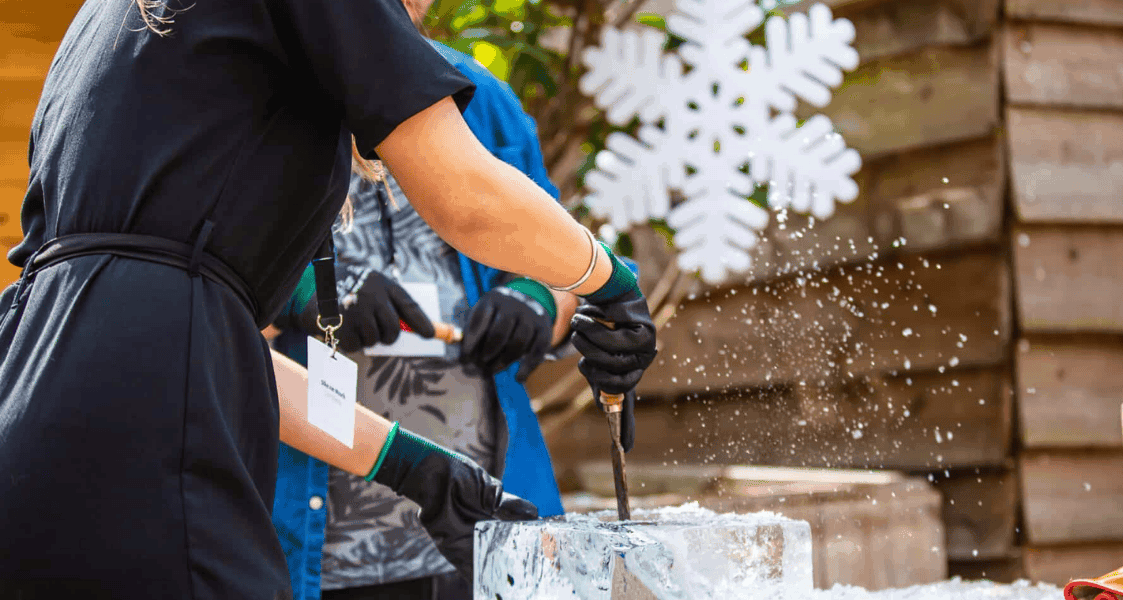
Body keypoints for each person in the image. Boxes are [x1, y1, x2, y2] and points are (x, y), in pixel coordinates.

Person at [0, 0, 657, 598]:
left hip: (29, 418)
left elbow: (198, 351)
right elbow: (467, 198)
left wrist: (412, 466)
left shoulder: (102, 25)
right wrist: (610, 281)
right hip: (150, 448)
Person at [269, 3, 576, 593]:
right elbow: (200, 316)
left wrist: (535, 299)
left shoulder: (482, 98)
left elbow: (570, 271)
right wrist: (299, 295)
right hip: (314, 548)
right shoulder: (260, 105)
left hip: (485, 530)